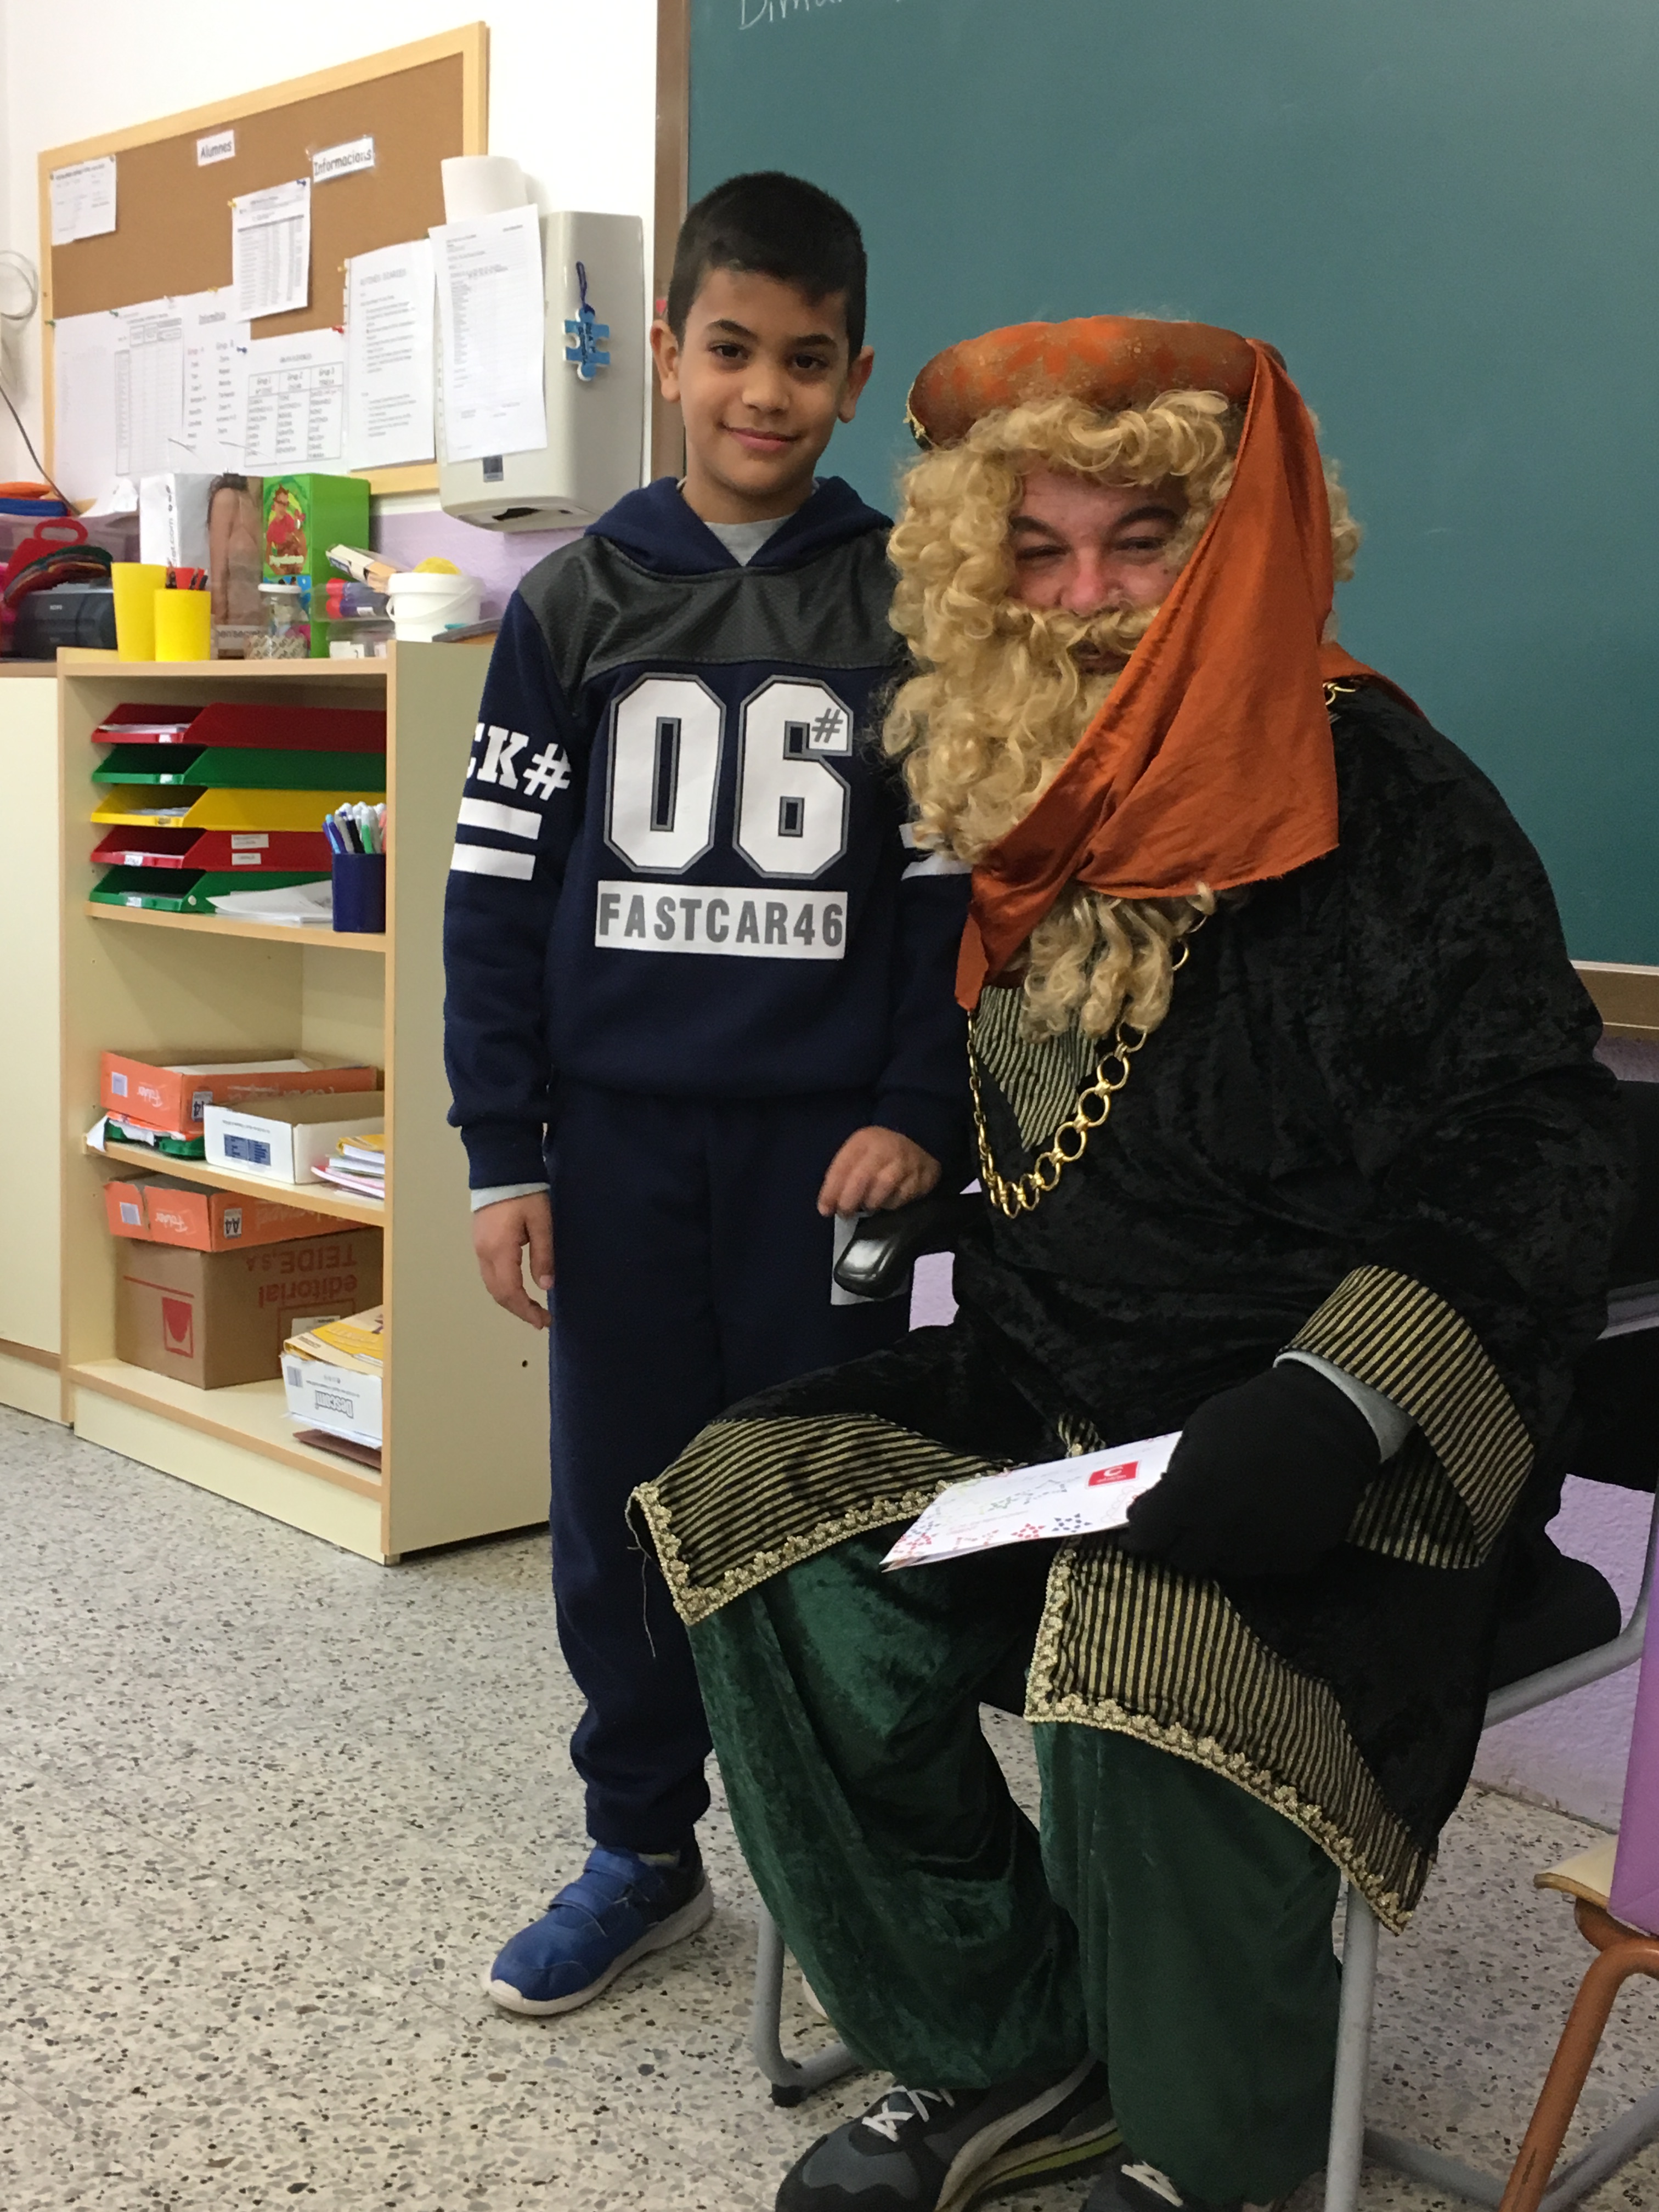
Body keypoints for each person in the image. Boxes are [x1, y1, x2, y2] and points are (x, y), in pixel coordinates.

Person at [632, 316, 1633, 2211]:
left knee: (1141, 1623)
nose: (1089, 601)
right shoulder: (1028, 787)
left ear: (1234, 546)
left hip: (1325, 1447)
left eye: (1141, 545)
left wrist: (1337, 1401)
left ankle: (1212, 2152)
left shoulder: (1383, 794)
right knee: (747, 1508)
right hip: (1051, 1389)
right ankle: (1010, 2046)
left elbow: (1539, 1141)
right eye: (1041, 551)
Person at [441, 173, 970, 2020]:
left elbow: (946, 900)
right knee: (625, 1514)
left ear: (857, 376)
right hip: (620, 1149)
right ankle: (642, 1849)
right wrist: (503, 1151)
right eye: (731, 349)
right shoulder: (572, 602)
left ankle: (852, 1856)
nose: (765, 392)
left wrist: (918, 1106)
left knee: (823, 1506)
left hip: (831, 1159)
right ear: (665, 352)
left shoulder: (909, 601)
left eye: (807, 361)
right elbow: (494, 896)